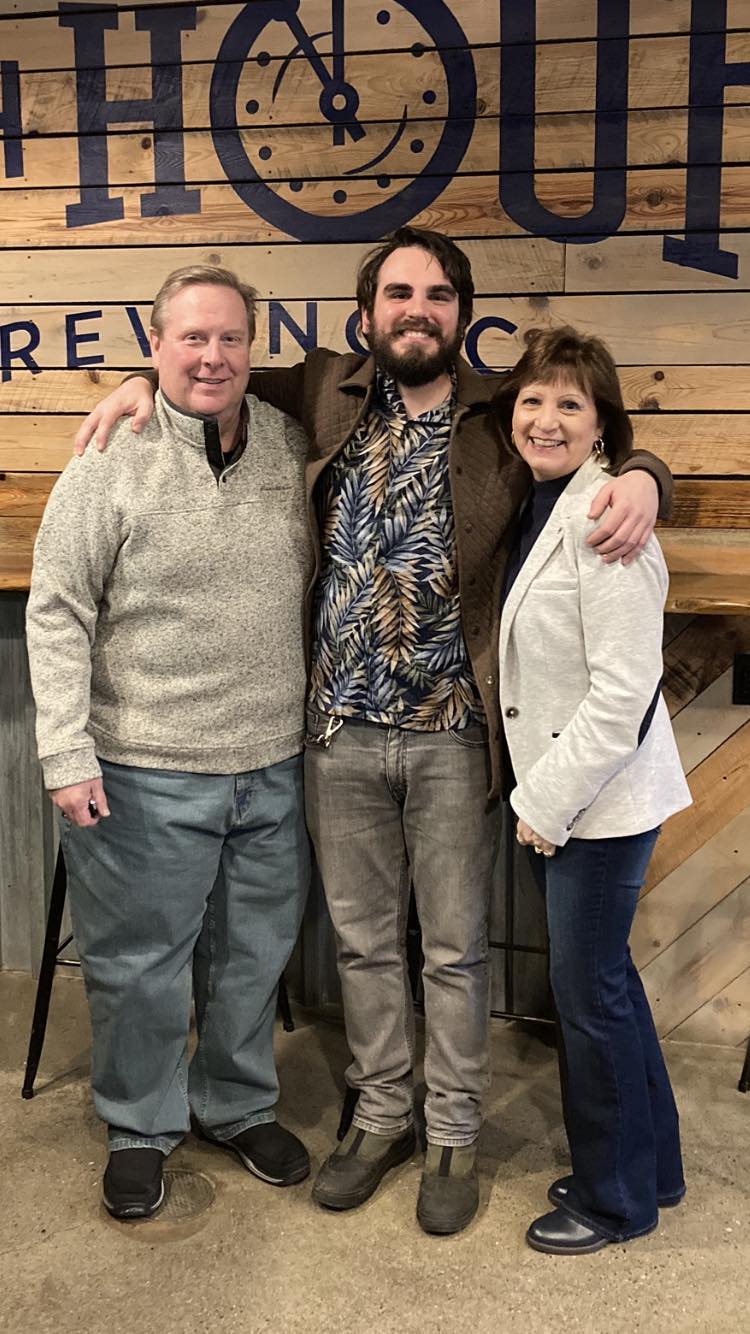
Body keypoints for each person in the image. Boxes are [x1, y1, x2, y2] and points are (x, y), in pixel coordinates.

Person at [73, 228, 673, 1236]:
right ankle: (382, 1115)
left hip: (453, 734)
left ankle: (453, 1132)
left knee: (454, 951)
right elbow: (205, 372)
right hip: (337, 732)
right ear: (367, 314)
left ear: (461, 314)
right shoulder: (323, 388)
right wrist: (139, 381)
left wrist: (648, 473)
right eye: (399, 292)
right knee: (361, 947)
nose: (417, 310)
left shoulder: (502, 411)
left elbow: (596, 438)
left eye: (438, 294)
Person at [26, 266, 313, 1221]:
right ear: (155, 347)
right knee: (140, 967)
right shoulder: (112, 453)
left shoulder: (289, 443)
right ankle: (140, 1124)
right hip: (144, 768)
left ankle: (236, 1104)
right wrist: (65, 753)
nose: (212, 356)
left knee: (251, 957)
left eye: (230, 338)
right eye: (192, 338)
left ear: (252, 349)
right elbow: (57, 609)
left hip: (270, 763)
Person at [493, 326, 691, 1255]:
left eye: (569, 403)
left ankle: (615, 1202)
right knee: (607, 983)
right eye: (533, 399)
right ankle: (655, 1169)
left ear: (602, 422)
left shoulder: (608, 520)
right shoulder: (539, 504)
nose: (546, 417)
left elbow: (622, 696)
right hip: (575, 798)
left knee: (589, 999)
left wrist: (544, 804)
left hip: (594, 807)